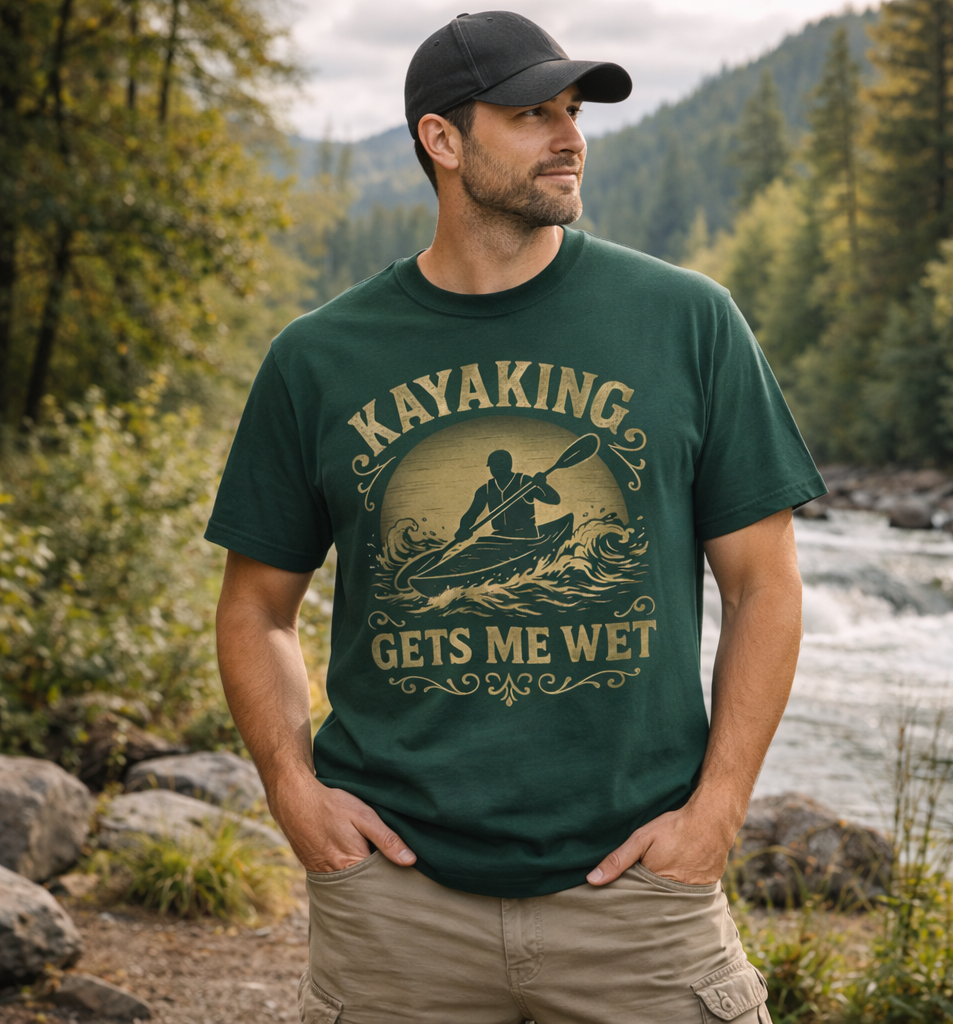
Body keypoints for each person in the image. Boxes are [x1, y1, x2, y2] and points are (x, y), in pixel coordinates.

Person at [206, 10, 827, 1023]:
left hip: (638, 894)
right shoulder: (317, 358)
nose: (570, 136)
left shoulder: (687, 321)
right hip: (395, 901)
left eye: (573, 112)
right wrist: (293, 788)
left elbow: (765, 585)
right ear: (441, 140)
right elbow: (256, 607)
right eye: (533, 114)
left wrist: (717, 813)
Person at [455, 449, 560, 541]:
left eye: (502, 465)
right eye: (495, 465)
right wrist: (463, 528)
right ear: (490, 467)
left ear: (510, 465)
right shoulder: (485, 490)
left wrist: (543, 485)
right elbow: (472, 514)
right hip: (500, 535)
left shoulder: (524, 482)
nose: (499, 468)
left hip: (526, 535)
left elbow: (554, 500)